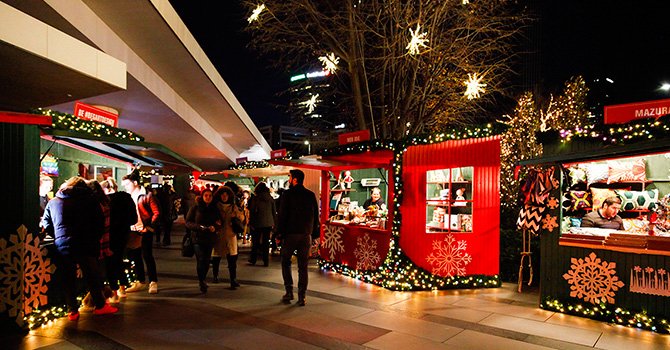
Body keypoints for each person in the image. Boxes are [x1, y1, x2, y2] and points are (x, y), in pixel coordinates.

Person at [41, 176, 117, 321]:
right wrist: (94, 238)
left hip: (63, 246)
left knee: (68, 278)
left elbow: (46, 223)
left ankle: (72, 311)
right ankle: (100, 306)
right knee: (92, 276)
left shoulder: (54, 201)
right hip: (86, 244)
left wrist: (59, 236)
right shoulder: (90, 201)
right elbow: (99, 223)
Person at [276, 169, 320, 306]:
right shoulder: (310, 195)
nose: (289, 180)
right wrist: (314, 234)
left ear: (295, 179)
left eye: (290, 177)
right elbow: (315, 217)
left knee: (285, 261)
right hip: (305, 235)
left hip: (290, 234)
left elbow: (282, 215)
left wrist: (279, 234)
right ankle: (302, 296)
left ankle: (289, 291)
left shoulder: (287, 194)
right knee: (303, 266)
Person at [122, 172, 160, 294]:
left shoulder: (147, 195)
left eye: (127, 184)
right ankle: (140, 280)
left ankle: (153, 282)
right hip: (132, 230)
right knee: (135, 256)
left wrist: (148, 227)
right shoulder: (127, 196)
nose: (126, 187)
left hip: (144, 230)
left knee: (147, 255)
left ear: (135, 183)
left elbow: (157, 212)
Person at [101, 178, 137, 301]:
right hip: (123, 234)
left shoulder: (105, 202)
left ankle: (114, 291)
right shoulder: (127, 198)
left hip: (108, 235)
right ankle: (122, 287)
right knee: (119, 259)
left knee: (110, 262)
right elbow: (134, 219)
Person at [185, 188, 220, 293]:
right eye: (206, 195)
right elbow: (188, 222)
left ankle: (203, 278)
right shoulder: (195, 208)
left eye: (210, 195)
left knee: (206, 260)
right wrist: (199, 227)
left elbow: (219, 221)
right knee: (200, 259)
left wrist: (215, 227)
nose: (208, 197)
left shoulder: (215, 208)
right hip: (197, 238)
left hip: (209, 238)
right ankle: (201, 281)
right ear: (202, 196)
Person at [212, 185, 245, 289]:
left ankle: (233, 279)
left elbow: (242, 218)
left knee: (232, 259)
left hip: (231, 236)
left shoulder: (233, 206)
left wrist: (237, 216)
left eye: (226, 195)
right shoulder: (215, 206)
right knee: (216, 257)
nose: (224, 197)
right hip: (218, 235)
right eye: (222, 195)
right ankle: (215, 275)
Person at [247, 182, 276, 266]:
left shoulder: (256, 198)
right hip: (268, 223)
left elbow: (252, 211)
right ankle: (265, 260)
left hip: (257, 222)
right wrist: (274, 222)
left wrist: (251, 223)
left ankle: (253, 259)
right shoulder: (270, 198)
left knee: (255, 241)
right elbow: (274, 211)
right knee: (265, 242)